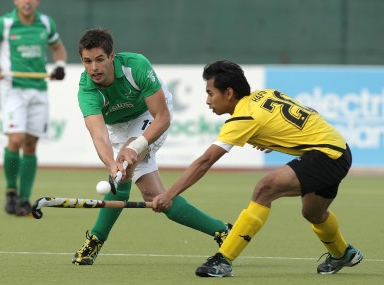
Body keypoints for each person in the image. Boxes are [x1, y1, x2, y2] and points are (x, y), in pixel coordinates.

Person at [152, 60, 363, 277]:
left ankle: (223, 260)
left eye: (210, 93)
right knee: (313, 213)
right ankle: (343, 254)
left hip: (326, 156)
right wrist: (277, 136)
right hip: (339, 150)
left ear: (229, 93)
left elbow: (205, 161)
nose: (207, 101)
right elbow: (310, 111)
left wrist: (170, 194)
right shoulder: (265, 94)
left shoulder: (243, 117)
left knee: (265, 188)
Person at [73, 28, 231, 265]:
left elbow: (162, 117)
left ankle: (95, 239)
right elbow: (99, 135)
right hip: (117, 127)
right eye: (87, 61)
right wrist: (111, 162)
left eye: (99, 60)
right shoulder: (87, 89)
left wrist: (135, 147)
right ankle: (223, 231)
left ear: (111, 56)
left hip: (152, 115)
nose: (94, 67)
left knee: (127, 160)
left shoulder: (135, 66)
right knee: (155, 196)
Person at [0, 0, 67, 216]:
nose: (27, 2)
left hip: (39, 89)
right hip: (13, 88)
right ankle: (10, 191)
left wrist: (60, 66)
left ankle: (24, 200)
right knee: (15, 139)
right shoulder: (3, 24)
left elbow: (58, 49)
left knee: (31, 144)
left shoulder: (45, 23)